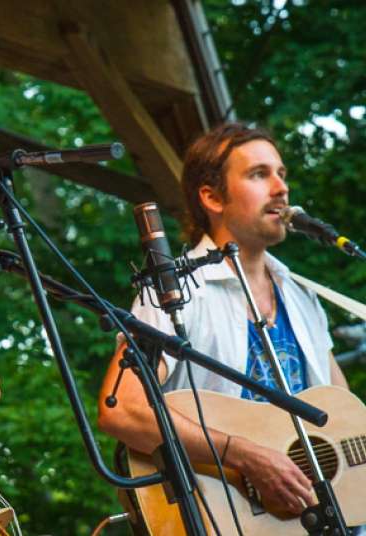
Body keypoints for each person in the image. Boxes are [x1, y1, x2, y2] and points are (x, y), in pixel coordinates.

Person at [97, 122, 349, 516]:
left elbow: (343, 419)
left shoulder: (303, 297)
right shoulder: (173, 292)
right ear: (212, 197)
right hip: (221, 515)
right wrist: (242, 455)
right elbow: (121, 410)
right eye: (259, 174)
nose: (281, 188)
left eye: (281, 174)